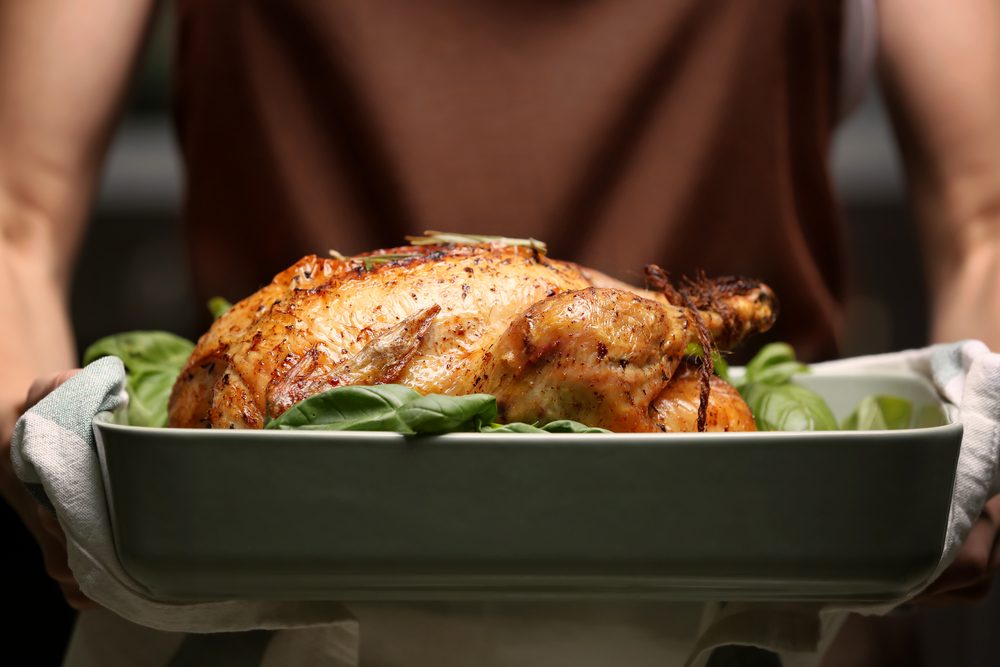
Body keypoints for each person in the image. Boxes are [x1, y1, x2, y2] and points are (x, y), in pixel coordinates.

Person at [1, 0, 998, 664]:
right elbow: (16, 216)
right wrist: (40, 448)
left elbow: (984, 219)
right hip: (265, 609)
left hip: (766, 606)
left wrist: (980, 436)